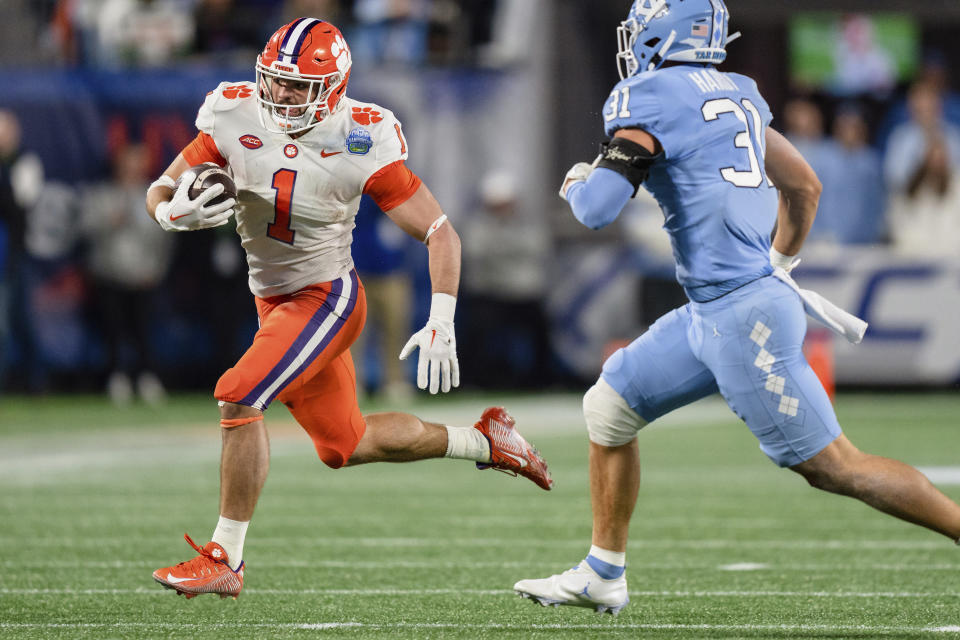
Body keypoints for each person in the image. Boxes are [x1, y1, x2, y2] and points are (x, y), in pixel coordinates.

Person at [514, 0, 960, 615]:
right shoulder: (740, 94)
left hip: (739, 317)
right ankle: (602, 572)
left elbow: (596, 210)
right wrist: (780, 260)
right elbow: (804, 185)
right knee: (609, 407)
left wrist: (578, 181)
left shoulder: (648, 97)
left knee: (837, 467)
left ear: (663, 35)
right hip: (717, 310)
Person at [145, 17, 552, 600]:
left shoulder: (362, 135)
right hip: (273, 302)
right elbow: (160, 187)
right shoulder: (233, 111)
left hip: (324, 300)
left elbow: (440, 231)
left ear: (333, 87)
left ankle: (224, 558)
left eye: (296, 85)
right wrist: (167, 213)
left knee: (239, 392)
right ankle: (488, 441)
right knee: (347, 445)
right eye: (274, 80)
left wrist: (440, 317)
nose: (280, 95)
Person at [81, 143, 172, 405]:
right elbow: (85, 229)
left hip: (144, 275)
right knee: (113, 330)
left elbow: (164, 238)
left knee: (143, 331)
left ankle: (147, 378)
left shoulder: (154, 195)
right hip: (109, 274)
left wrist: (156, 270)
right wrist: (108, 222)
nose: (132, 168)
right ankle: (116, 378)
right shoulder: (103, 194)